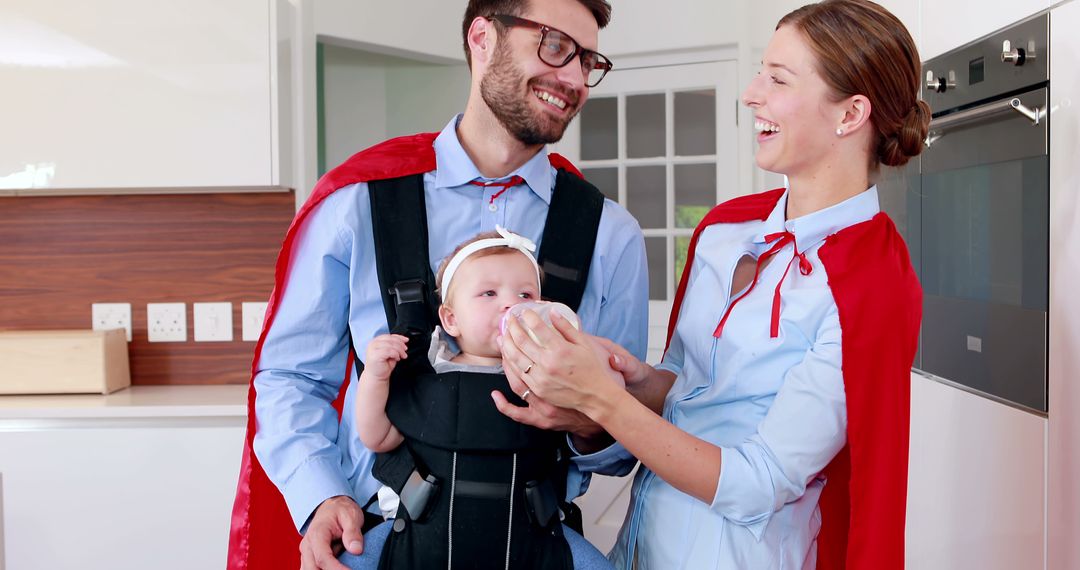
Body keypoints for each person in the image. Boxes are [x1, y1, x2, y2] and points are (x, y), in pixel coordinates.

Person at [497, 1, 927, 568]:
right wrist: (628, 378)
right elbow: (684, 385)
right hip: (639, 545)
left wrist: (602, 403)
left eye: (777, 79)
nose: (751, 94)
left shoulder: (870, 286)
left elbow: (761, 481)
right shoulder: (726, 231)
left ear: (849, 115)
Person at [225, 0, 649, 569]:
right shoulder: (358, 204)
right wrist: (319, 494)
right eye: (554, 46)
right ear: (482, 37)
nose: (573, 77)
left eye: (588, 60)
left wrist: (587, 422)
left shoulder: (608, 235)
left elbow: (623, 441)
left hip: (536, 541)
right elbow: (289, 378)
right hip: (382, 532)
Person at [344, 227, 613, 569]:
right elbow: (377, 437)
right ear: (451, 319)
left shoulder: (551, 379)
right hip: (421, 535)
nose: (510, 305)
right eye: (488, 293)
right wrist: (375, 376)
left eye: (526, 295)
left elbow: (586, 425)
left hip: (533, 539)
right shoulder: (427, 376)